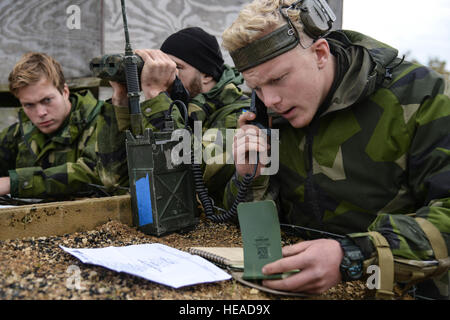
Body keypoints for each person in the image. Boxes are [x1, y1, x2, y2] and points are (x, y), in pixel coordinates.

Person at [222, 0, 450, 299]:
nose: (270, 100)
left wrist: (354, 255)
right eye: (257, 89)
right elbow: (245, 230)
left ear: (319, 53)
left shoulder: (419, 95)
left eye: (278, 79)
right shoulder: (269, 118)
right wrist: (250, 177)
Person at [111, 27, 251, 204]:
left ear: (206, 74)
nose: (168, 75)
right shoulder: (171, 107)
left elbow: (187, 173)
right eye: (164, 66)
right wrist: (121, 100)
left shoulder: (239, 114)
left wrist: (155, 93)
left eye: (176, 67)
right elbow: (114, 178)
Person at [0, 52, 126, 199]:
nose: (40, 113)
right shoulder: (18, 134)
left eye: (47, 100)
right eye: (29, 105)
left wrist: (13, 182)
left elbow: (97, 172)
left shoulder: (102, 122)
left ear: (64, 92)